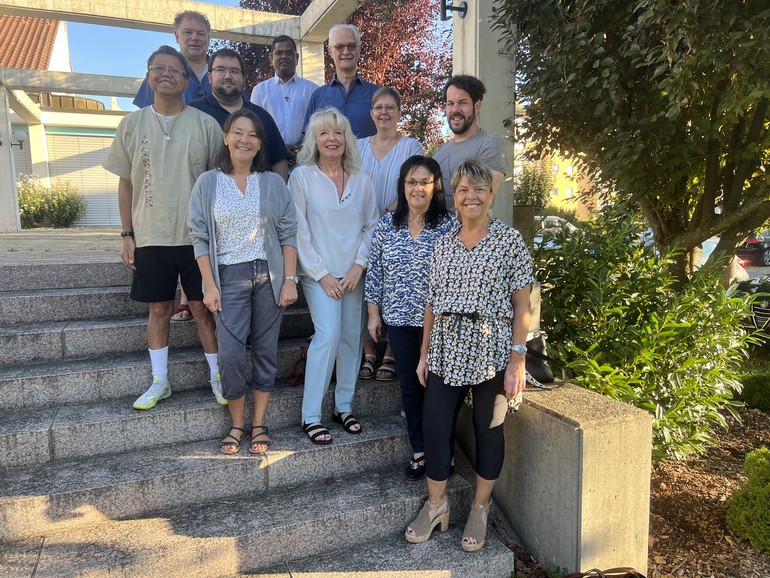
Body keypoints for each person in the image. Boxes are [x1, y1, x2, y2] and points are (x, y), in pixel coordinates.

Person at [405, 158, 534, 552]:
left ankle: (480, 507)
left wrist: (518, 359)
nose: (470, 196)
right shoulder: (443, 244)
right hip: (446, 347)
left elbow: (523, 304)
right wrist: (424, 354)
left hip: (492, 349)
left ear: (489, 194)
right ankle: (436, 505)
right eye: (463, 190)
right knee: (435, 425)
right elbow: (431, 302)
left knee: (488, 429)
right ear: (455, 197)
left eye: (478, 189)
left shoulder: (509, 241)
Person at [103, 45, 225, 410]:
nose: (167, 74)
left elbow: (220, 184)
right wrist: (127, 235)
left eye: (175, 69)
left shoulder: (206, 125)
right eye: (159, 68)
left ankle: (218, 377)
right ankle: (160, 381)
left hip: (196, 237)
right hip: (150, 234)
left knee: (203, 308)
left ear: (187, 80)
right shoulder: (131, 125)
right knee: (159, 308)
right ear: (149, 75)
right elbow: (125, 183)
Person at [188, 109, 298, 455]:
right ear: (226, 137)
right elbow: (200, 236)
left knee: (266, 352)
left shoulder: (272, 183)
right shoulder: (208, 182)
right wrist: (209, 284)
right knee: (231, 355)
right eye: (238, 132)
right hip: (228, 276)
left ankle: (259, 423)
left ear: (260, 142)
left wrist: (290, 279)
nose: (245, 140)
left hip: (269, 275)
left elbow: (288, 233)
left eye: (252, 134)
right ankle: (236, 423)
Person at [289, 107, 378, 445]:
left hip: (354, 274)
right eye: (324, 133)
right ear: (314, 139)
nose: (332, 139)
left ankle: (343, 405)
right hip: (319, 275)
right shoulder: (301, 177)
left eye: (338, 133)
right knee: (326, 336)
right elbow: (298, 230)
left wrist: (359, 266)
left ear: (346, 139)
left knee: (350, 338)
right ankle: (310, 416)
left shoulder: (361, 179)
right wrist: (322, 274)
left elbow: (371, 226)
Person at [364, 155, 455, 481]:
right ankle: (419, 451)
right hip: (400, 322)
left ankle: (442, 452)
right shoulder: (387, 225)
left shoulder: (450, 225)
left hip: (441, 323)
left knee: (439, 391)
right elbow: (375, 273)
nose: (418, 188)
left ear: (435, 186)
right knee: (411, 389)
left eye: (425, 182)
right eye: (411, 182)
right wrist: (374, 315)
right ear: (402, 186)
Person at [357, 87, 423, 382]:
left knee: (394, 288)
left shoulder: (410, 146)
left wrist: (384, 217)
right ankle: (369, 350)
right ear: (371, 113)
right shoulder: (356, 147)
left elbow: (415, 185)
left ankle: (391, 353)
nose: (383, 112)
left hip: (397, 228)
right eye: (378, 107)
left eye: (390, 107)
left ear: (399, 112)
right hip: (359, 230)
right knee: (361, 290)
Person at [189, 48, 291, 182]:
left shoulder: (262, 116)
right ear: (209, 76)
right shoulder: (193, 113)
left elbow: (278, 159)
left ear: (243, 78)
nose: (228, 76)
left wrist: (278, 195)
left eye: (234, 71)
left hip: (259, 198)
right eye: (220, 70)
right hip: (208, 199)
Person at [433, 75, 508, 209]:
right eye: (450, 103)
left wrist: (437, 226)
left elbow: (480, 202)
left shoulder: (489, 145)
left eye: (463, 103)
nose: (455, 109)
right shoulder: (439, 152)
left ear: (477, 106)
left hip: (469, 230)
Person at [250, 35, 318, 168]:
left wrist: (301, 148)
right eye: (278, 53)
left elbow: (318, 125)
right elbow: (254, 127)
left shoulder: (312, 89)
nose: (284, 56)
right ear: (271, 59)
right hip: (271, 161)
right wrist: (280, 149)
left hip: (306, 162)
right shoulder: (260, 91)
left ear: (297, 58)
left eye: (288, 53)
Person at [303, 24, 379, 139]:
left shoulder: (376, 94)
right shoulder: (318, 96)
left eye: (351, 46)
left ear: (358, 50)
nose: (346, 51)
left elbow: (388, 137)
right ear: (330, 51)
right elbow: (308, 141)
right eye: (339, 46)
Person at [133, 11, 211, 108]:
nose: (194, 37)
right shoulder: (159, 75)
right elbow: (146, 115)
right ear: (177, 36)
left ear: (208, 38)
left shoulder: (224, 72)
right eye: (188, 32)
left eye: (201, 33)